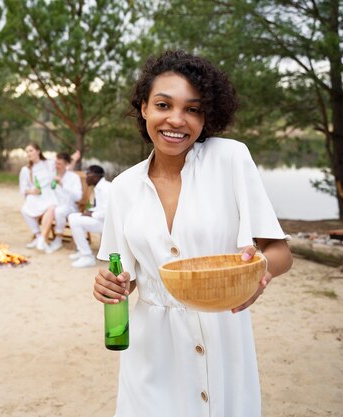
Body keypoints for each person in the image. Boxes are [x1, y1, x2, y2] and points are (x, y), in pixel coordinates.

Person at [93, 50, 293, 416]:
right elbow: (123, 274)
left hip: (224, 336)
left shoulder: (230, 159)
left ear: (207, 116)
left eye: (193, 109)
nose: (176, 120)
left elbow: (279, 251)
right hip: (151, 351)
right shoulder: (122, 187)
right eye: (163, 105)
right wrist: (109, 284)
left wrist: (259, 275)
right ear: (143, 108)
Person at [68, 165, 110, 268]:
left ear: (95, 176)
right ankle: (82, 251)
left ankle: (87, 257)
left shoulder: (106, 188)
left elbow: (108, 213)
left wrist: (91, 214)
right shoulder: (100, 187)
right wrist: (90, 211)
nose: (85, 177)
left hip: (108, 224)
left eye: (87, 174)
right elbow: (100, 208)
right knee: (72, 216)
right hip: (102, 219)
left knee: (75, 221)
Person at [45, 152, 83, 253]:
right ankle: (41, 238)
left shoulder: (73, 177)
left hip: (69, 206)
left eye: (59, 164)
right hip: (53, 204)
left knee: (59, 211)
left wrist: (63, 184)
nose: (56, 166)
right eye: (56, 163)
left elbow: (78, 197)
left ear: (66, 165)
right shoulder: (52, 174)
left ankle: (58, 239)